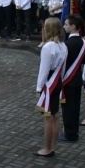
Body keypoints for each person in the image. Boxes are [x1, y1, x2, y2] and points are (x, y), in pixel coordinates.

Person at [35, 17, 67, 157]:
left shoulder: (48, 47)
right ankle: (52, 147)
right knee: (54, 116)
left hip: (49, 83)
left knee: (48, 117)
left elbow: (44, 69)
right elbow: (63, 69)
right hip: (58, 81)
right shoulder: (63, 45)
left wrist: (38, 88)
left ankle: (47, 148)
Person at [59, 15, 85, 142]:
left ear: (73, 26)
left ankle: (69, 134)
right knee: (75, 107)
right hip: (77, 78)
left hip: (68, 80)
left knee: (68, 108)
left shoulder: (67, 44)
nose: (64, 26)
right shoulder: (83, 42)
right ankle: (73, 131)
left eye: (66, 24)